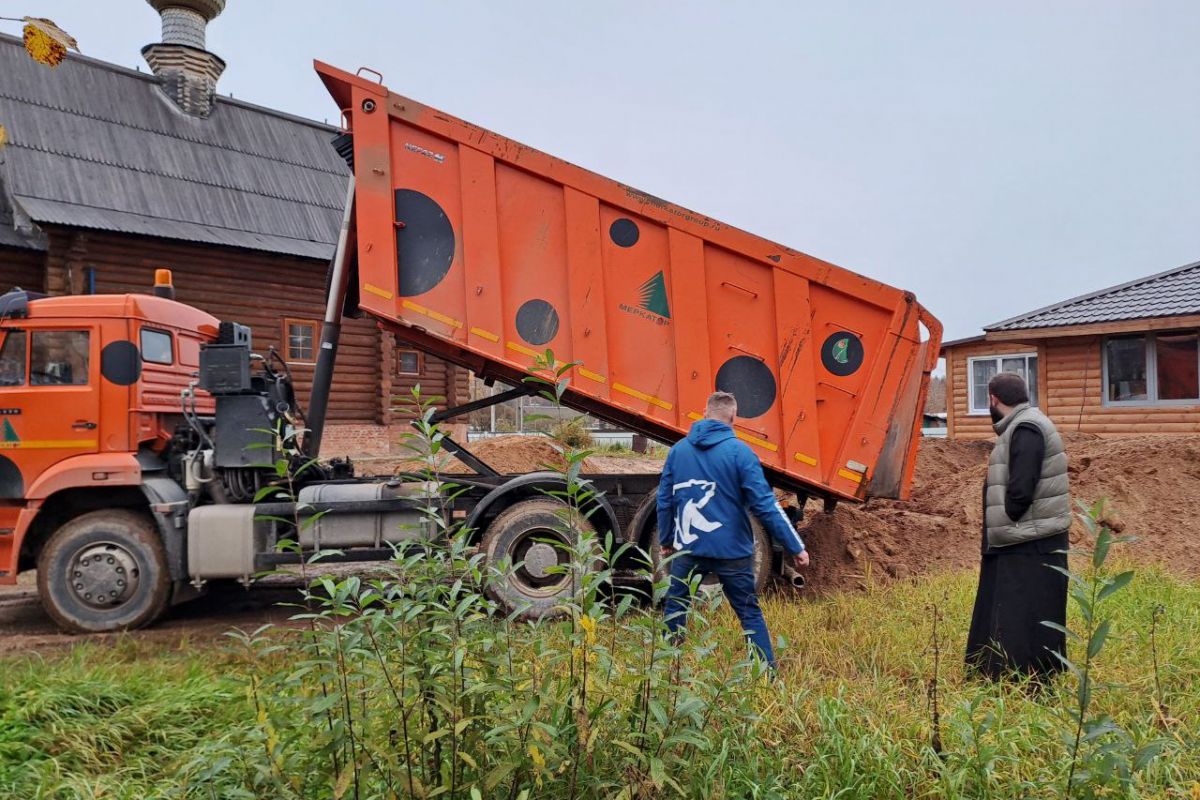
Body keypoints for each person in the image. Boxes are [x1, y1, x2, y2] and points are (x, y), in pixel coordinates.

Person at [656, 390, 809, 669]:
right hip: (732, 553)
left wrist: (667, 539)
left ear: (704, 413)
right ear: (733, 417)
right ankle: (765, 675)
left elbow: (665, 500)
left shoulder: (678, 451)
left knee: (676, 607)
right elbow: (765, 505)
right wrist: (795, 546)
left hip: (688, 549)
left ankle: (667, 674)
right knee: (749, 613)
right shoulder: (741, 453)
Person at [965, 372, 1071, 681]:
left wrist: (1010, 515)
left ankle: (1024, 676)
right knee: (1017, 610)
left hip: (1029, 541)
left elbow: (1022, 487)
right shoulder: (1024, 424)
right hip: (1025, 538)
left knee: (1025, 612)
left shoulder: (1026, 428)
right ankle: (1004, 672)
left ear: (993, 400)